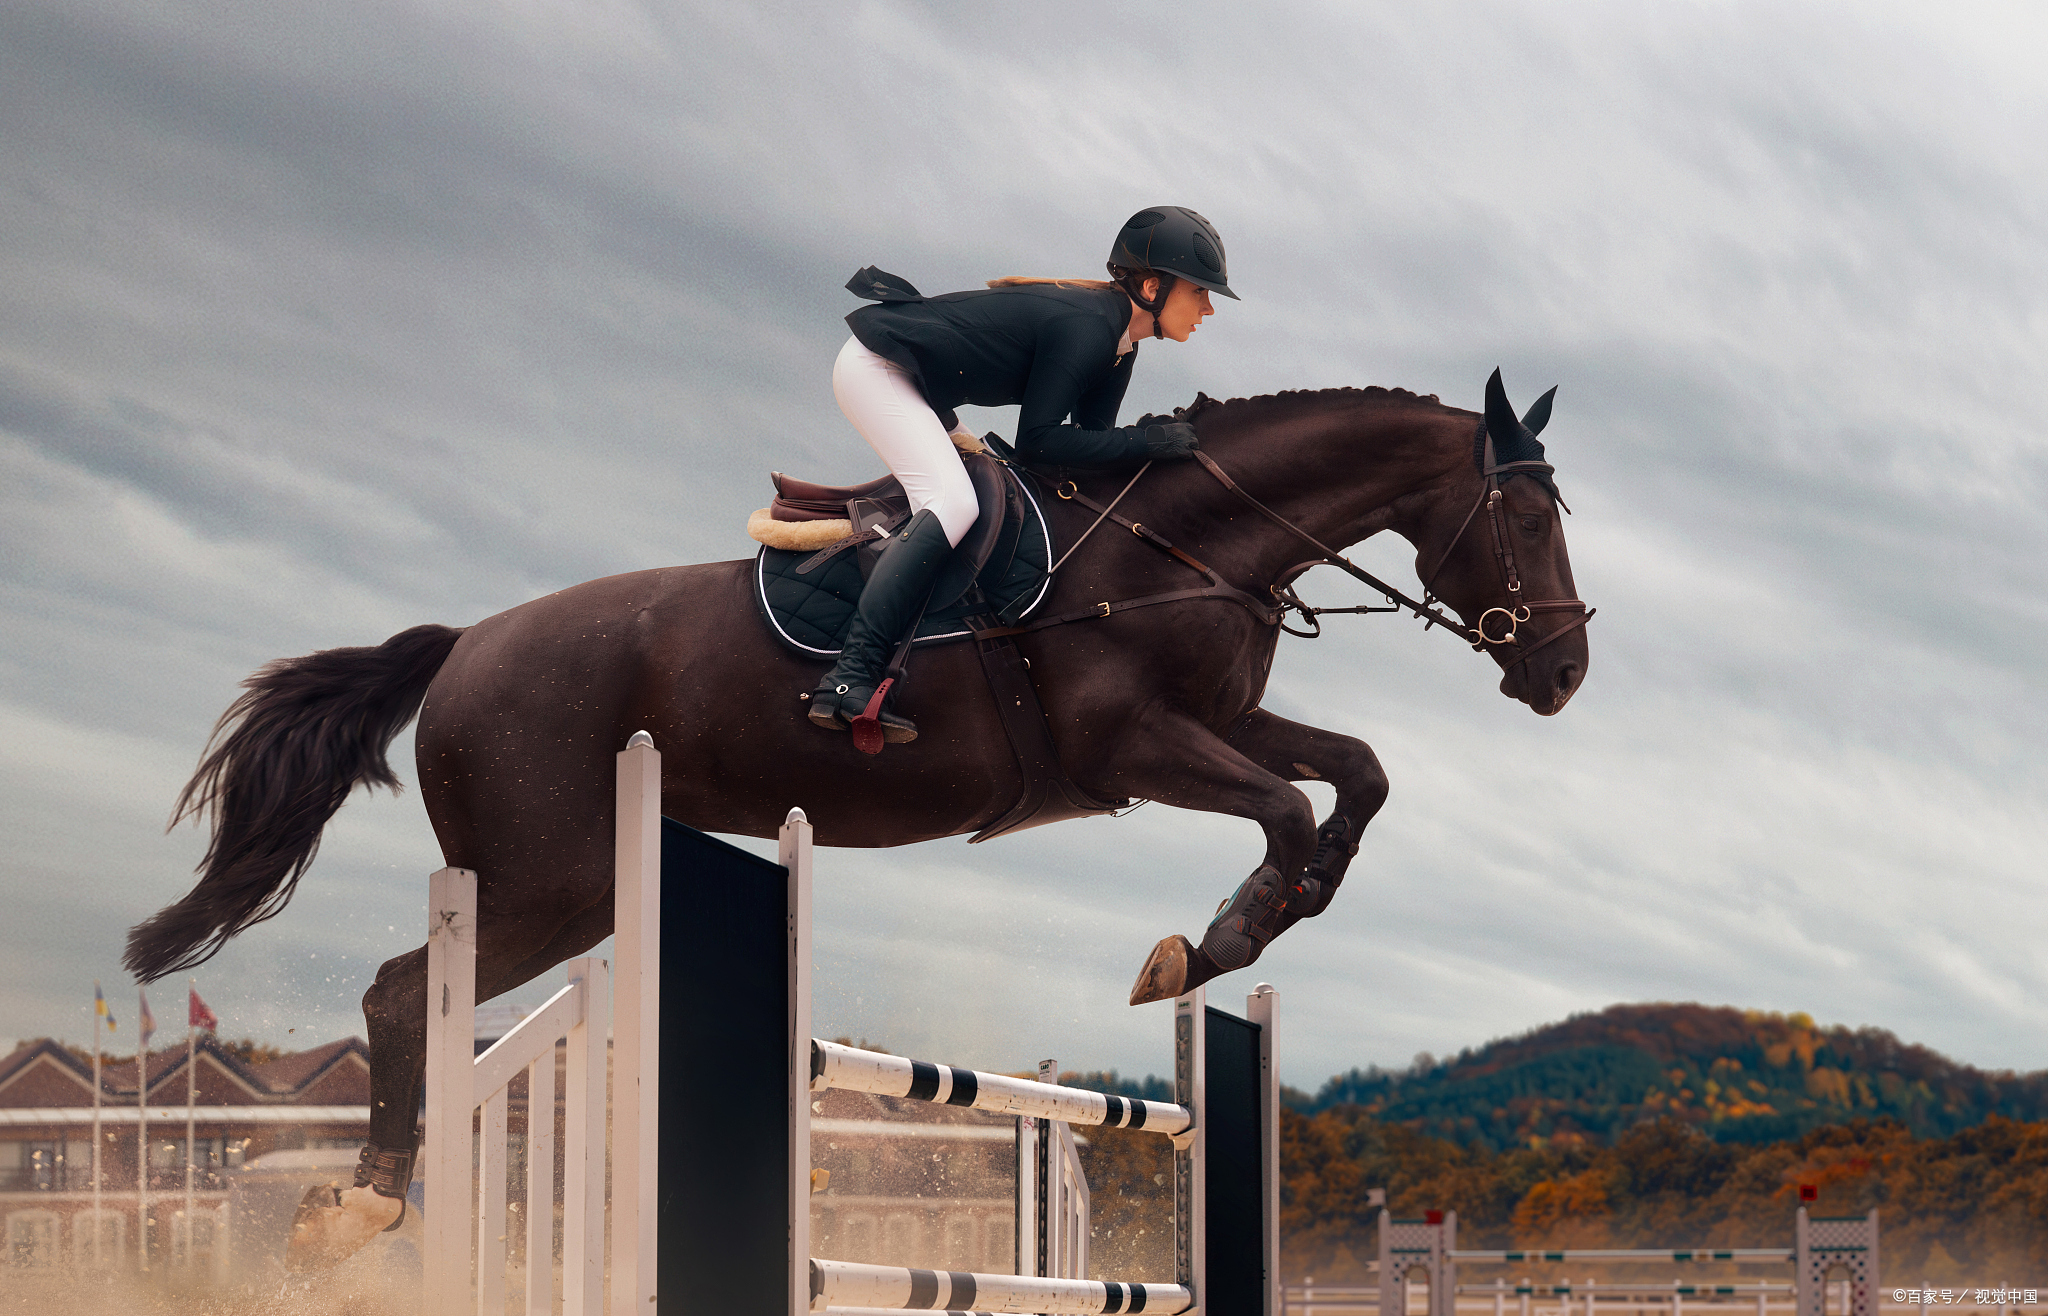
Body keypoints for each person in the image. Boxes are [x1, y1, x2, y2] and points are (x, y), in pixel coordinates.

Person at [811, 205, 1237, 743]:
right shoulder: (1088, 327)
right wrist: (1144, 441)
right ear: (1153, 286)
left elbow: (1083, 448)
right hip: (878, 368)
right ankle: (849, 676)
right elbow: (1039, 442)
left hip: (918, 383)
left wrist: (1145, 449)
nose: (1207, 309)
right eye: (1199, 292)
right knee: (952, 502)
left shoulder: (1120, 346)